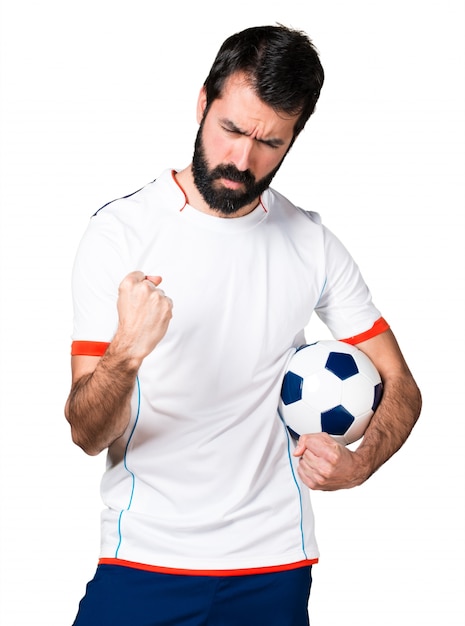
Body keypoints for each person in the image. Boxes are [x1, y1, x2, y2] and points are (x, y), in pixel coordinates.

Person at [65, 24, 421, 626]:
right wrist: (125, 354)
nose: (242, 159)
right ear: (203, 103)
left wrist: (359, 465)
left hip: (275, 567)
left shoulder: (311, 243)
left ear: (294, 137)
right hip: (145, 561)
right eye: (231, 129)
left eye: (270, 142)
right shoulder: (120, 234)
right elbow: (86, 432)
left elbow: (402, 388)